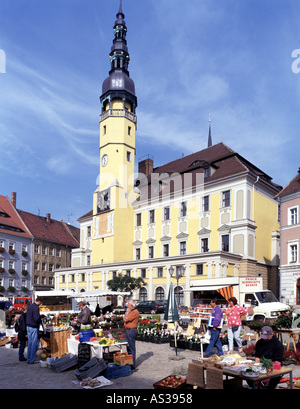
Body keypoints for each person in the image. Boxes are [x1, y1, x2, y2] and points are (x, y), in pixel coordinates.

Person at [26, 296, 43, 364]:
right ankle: (32, 359)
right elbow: (36, 318)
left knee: (30, 343)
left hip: (28, 326)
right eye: (41, 303)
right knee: (33, 344)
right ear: (39, 301)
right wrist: (40, 318)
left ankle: (28, 359)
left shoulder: (30, 306)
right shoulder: (36, 308)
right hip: (33, 326)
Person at [124, 299, 139, 369]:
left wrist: (127, 312)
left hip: (131, 330)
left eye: (128, 305)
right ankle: (130, 361)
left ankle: (132, 363)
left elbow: (126, 319)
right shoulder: (132, 311)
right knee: (128, 347)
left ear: (131, 306)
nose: (127, 306)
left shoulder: (134, 312)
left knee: (131, 347)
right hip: (128, 330)